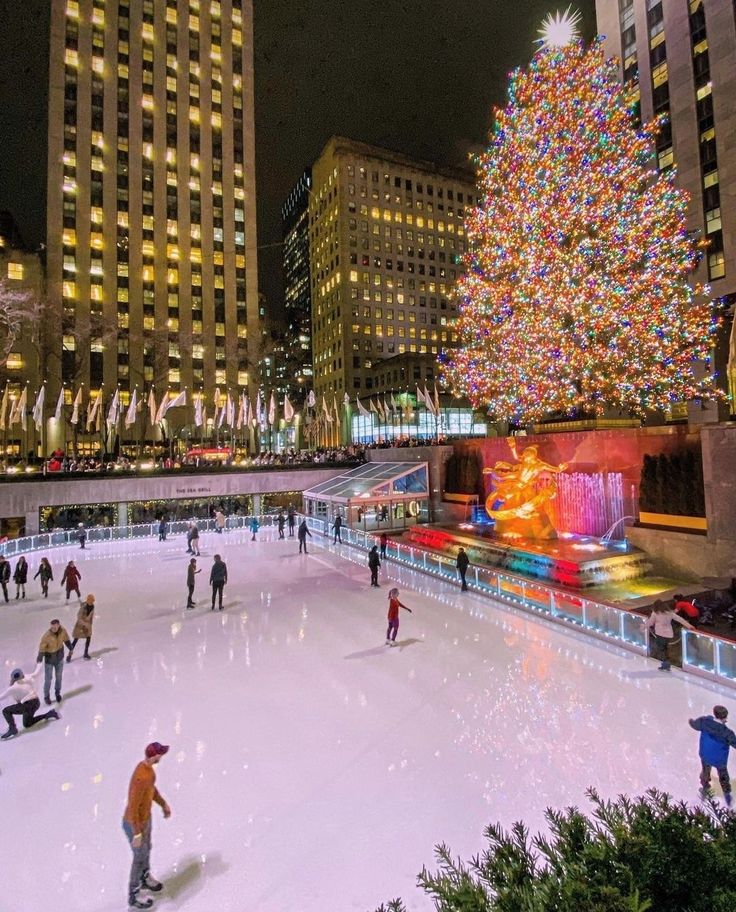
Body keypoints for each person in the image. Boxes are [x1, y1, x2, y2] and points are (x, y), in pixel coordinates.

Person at [122, 742, 171, 910]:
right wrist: (136, 832)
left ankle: (145, 878)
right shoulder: (140, 777)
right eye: (160, 754)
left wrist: (162, 804)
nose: (161, 757)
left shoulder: (149, 772)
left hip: (145, 819)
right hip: (134, 822)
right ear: (154, 756)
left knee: (147, 849)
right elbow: (133, 805)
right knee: (139, 857)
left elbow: (152, 790)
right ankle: (133, 895)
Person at [689, 705, 736, 805]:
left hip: (705, 755)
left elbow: (694, 724)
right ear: (725, 717)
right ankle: (727, 794)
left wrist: (691, 721)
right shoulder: (727, 733)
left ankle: (705, 786)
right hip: (719, 760)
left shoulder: (704, 721)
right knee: (723, 776)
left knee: (705, 771)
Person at [0, 664, 60, 740]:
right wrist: (39, 664)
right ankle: (49, 714)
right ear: (22, 676)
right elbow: (36, 673)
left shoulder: (13, 688)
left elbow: (1, 697)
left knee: (6, 711)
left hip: (28, 705)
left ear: (12, 678)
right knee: (27, 724)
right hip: (36, 702)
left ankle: (12, 729)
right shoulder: (27, 678)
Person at [646, 599, 694, 671]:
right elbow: (680, 619)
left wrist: (644, 626)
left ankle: (666, 664)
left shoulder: (655, 613)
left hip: (660, 633)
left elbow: (650, 622)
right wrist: (689, 626)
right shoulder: (669, 613)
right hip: (668, 634)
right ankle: (666, 663)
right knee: (664, 648)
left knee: (662, 648)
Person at [37, 618, 72, 704]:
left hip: (59, 658)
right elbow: (42, 647)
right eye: (52, 628)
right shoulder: (46, 636)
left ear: (58, 625)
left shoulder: (63, 631)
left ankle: (57, 693)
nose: (53, 629)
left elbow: (66, 639)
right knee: (48, 679)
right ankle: (46, 696)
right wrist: (40, 656)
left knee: (59, 677)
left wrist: (70, 648)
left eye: (55, 628)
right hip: (49, 659)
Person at [67, 594, 95, 661]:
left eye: (92, 600)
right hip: (80, 626)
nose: (91, 602)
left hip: (87, 626)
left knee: (88, 639)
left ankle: (85, 653)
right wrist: (84, 625)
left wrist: (89, 625)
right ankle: (69, 655)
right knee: (75, 640)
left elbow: (91, 617)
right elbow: (79, 617)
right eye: (90, 600)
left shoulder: (92, 607)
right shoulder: (83, 607)